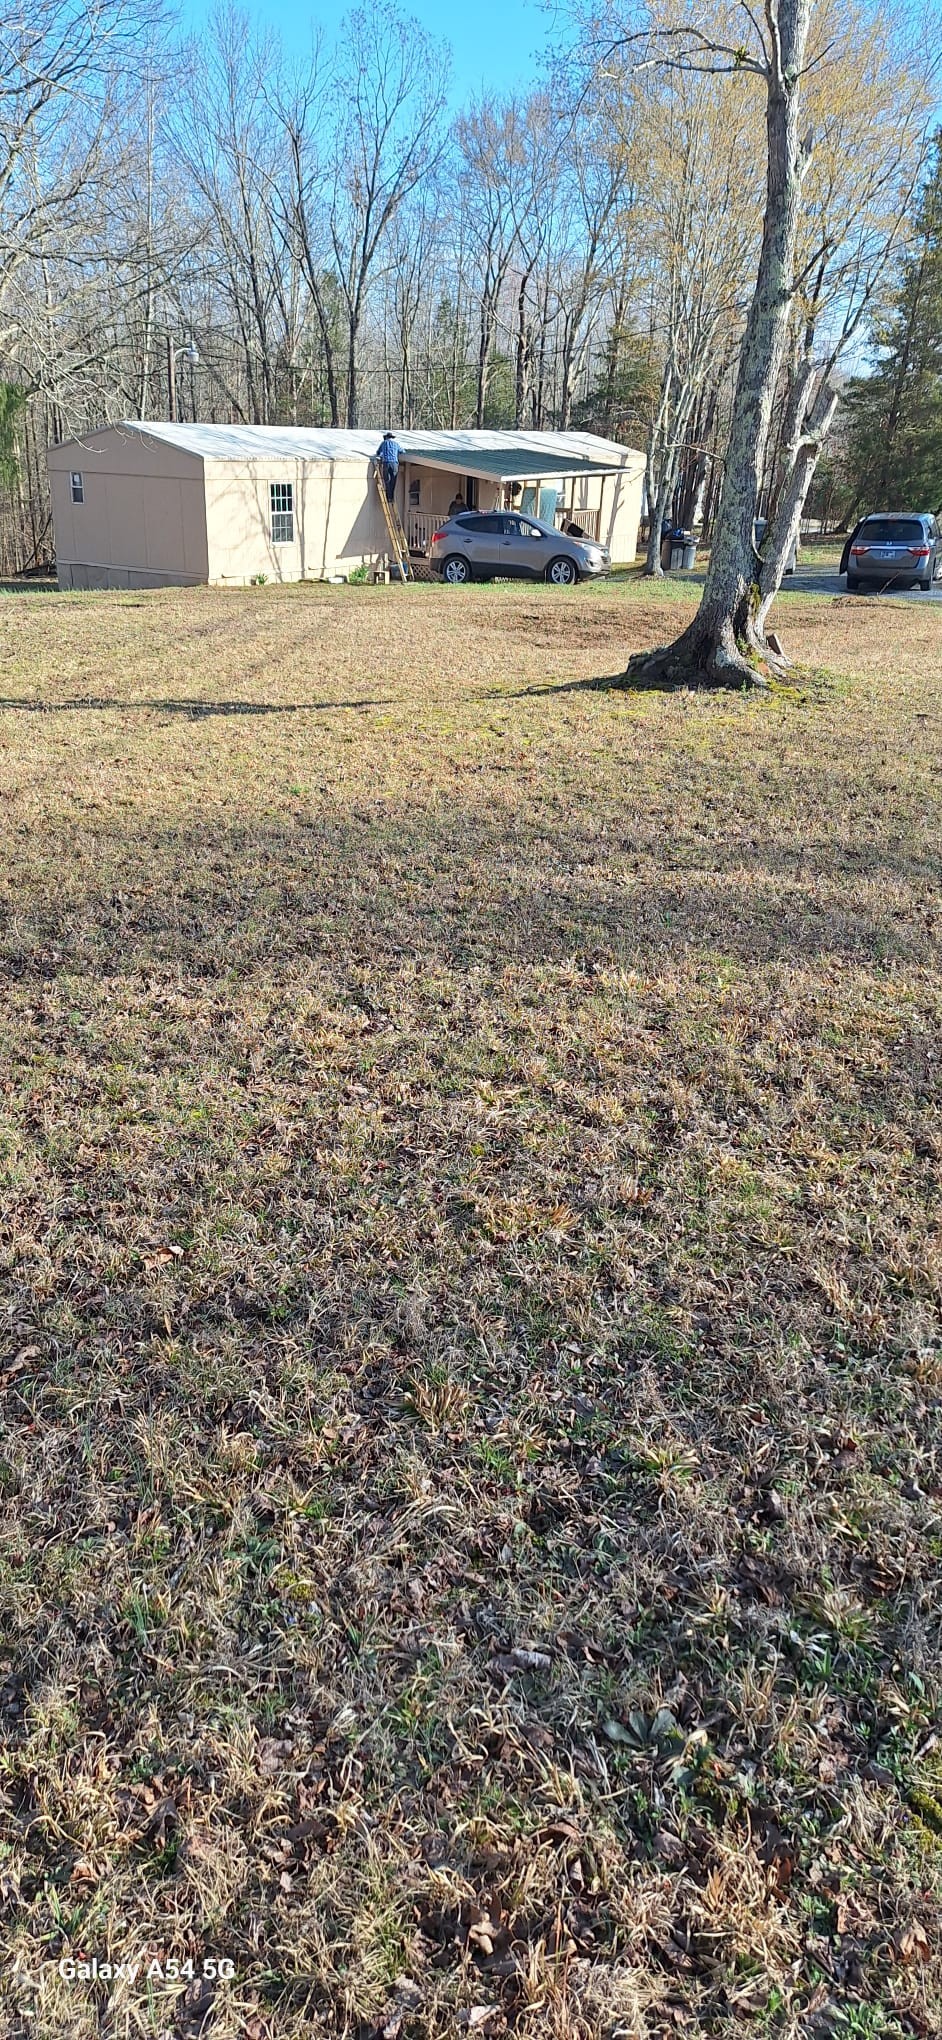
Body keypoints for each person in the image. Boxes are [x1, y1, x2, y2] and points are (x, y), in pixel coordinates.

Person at [376, 429, 402, 503]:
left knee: (387, 480)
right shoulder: (396, 444)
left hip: (386, 463)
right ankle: (392, 497)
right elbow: (402, 451)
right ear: (392, 438)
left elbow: (378, 452)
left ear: (386, 437)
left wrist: (381, 454)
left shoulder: (383, 443)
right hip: (394, 463)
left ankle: (388, 498)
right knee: (393, 481)